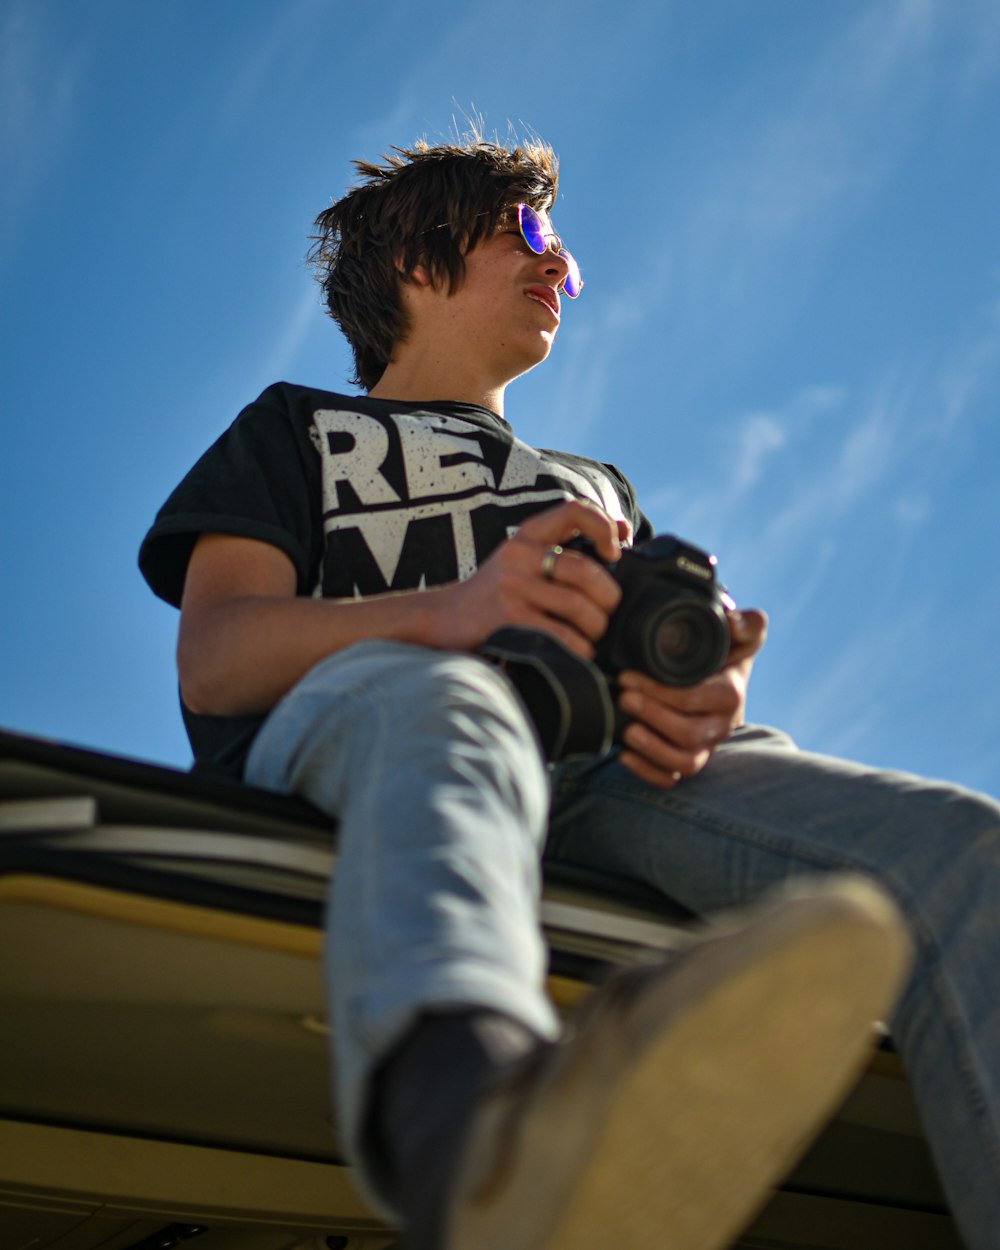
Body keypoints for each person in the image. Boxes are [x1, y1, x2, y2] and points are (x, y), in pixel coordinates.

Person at [138, 134, 998, 1250]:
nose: (560, 265)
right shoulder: (295, 430)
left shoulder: (598, 486)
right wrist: (445, 613)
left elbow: (673, 661)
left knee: (963, 849)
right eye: (527, 233)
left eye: (567, 253)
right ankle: (485, 1144)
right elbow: (216, 655)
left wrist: (705, 688)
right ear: (412, 256)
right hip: (380, 727)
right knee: (455, 701)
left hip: (608, 770)